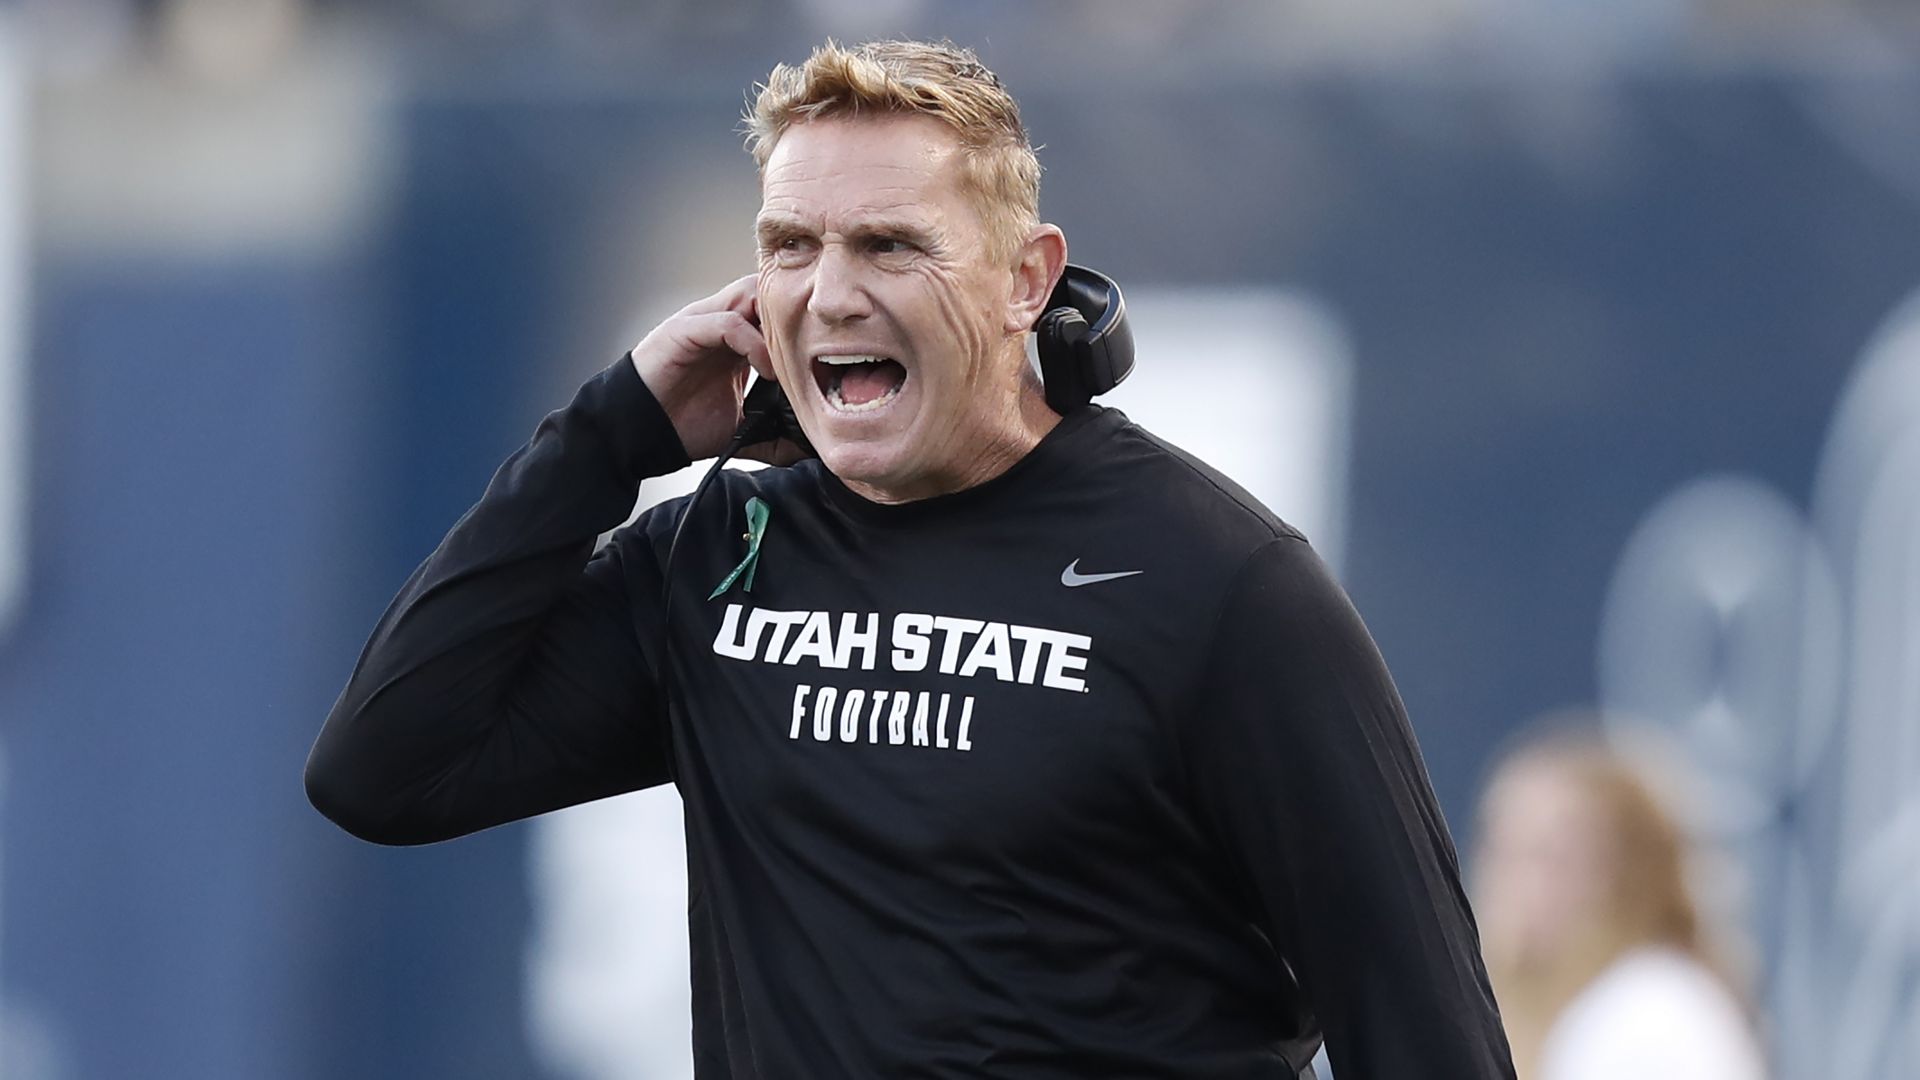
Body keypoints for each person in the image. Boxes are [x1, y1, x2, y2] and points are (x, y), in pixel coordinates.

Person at [306, 38, 1514, 1079]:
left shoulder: (1220, 583)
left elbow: (1421, 1028)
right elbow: (386, 771)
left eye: (889, 245)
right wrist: (608, 432)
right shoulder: (721, 552)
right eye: (790, 246)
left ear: (1025, 280)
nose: (830, 293)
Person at [1472, 729, 1768, 1080]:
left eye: (1545, 855)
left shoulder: (1648, 1014)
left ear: (1620, 875)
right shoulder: (1609, 1012)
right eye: (1500, 850)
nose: (1505, 880)